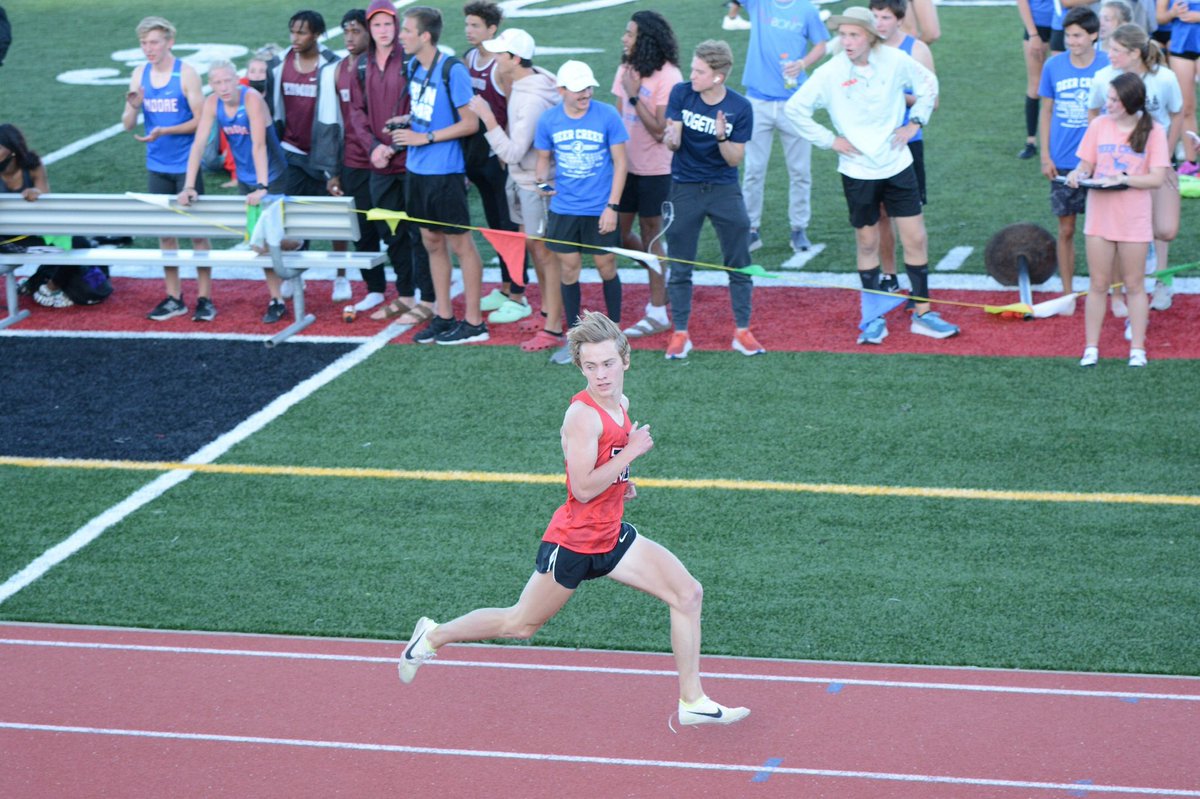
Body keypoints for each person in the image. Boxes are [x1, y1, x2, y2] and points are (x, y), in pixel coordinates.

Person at [397, 310, 751, 729]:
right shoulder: (581, 416)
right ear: (580, 367)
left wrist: (623, 479)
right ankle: (432, 636)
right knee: (519, 624)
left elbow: (604, 471)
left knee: (688, 594)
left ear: (626, 360)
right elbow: (582, 488)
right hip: (574, 544)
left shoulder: (621, 403)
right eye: (590, 366)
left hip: (611, 536)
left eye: (608, 364)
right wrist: (632, 453)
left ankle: (691, 700)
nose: (601, 375)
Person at [787, 7, 957, 345]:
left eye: (854, 35)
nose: (847, 42)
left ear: (870, 36)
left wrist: (916, 121)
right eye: (843, 35)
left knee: (916, 238)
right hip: (857, 171)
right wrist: (830, 140)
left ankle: (922, 313)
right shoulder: (831, 71)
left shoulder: (894, 60)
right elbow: (796, 109)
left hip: (898, 165)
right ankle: (872, 317)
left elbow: (928, 84)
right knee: (867, 242)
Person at [389, 5, 489, 345]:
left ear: (425, 36)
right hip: (417, 170)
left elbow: (470, 123)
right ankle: (444, 315)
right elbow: (429, 111)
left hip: (444, 172)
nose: (400, 36)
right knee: (431, 242)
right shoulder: (414, 66)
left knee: (461, 244)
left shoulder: (453, 69)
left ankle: (474, 322)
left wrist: (425, 137)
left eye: (406, 31)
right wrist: (408, 124)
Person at [661, 40, 765, 359]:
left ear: (717, 77)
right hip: (685, 187)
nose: (692, 75)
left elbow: (734, 160)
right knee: (680, 265)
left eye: (699, 71)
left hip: (723, 188)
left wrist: (720, 135)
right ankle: (680, 332)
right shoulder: (681, 93)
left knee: (739, 262)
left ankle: (743, 331)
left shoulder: (740, 107)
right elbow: (673, 140)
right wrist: (671, 137)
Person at [468, 28, 565, 352]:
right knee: (537, 249)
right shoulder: (534, 80)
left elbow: (511, 152)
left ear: (514, 58)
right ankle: (548, 312)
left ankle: (553, 327)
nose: (494, 58)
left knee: (545, 253)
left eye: (499, 54)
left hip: (534, 184)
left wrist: (487, 119)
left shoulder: (531, 98)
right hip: (524, 181)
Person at [177, 59, 292, 324]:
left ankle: (280, 290)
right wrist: (189, 185)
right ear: (211, 85)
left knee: (265, 238)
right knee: (258, 237)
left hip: (272, 174)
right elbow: (197, 145)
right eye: (217, 82)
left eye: (227, 80)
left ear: (236, 79)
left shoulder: (250, 100)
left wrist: (262, 186)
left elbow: (259, 146)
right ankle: (278, 291)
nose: (223, 87)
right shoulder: (212, 103)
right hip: (247, 177)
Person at [1068, 71, 1169, 367]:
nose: (1107, 104)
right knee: (1098, 284)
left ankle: (1137, 349)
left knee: (1135, 284)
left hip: (1133, 218)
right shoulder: (1099, 125)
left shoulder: (1154, 131)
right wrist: (1078, 174)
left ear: (1127, 102)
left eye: (1113, 99)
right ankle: (1091, 348)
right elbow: (1086, 164)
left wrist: (1124, 178)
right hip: (1100, 216)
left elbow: (1157, 177)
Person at [534, 60, 629, 365]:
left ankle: (615, 335)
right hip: (564, 209)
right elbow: (543, 161)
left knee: (606, 266)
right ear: (561, 90)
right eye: (578, 89)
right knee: (569, 269)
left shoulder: (607, 115)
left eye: (588, 87)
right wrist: (541, 183)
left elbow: (621, 164)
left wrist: (612, 206)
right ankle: (574, 340)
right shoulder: (549, 120)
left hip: (600, 208)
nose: (586, 93)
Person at [121, 17, 214, 323]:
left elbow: (201, 121)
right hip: (157, 165)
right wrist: (134, 106)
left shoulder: (185, 73)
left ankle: (205, 298)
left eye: (155, 42)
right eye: (144, 43)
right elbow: (128, 123)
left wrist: (165, 130)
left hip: (186, 164)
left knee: (197, 234)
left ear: (169, 42)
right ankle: (174, 298)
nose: (149, 48)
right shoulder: (140, 73)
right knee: (166, 234)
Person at [348, 0, 435, 325]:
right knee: (392, 232)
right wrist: (374, 147)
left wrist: (394, 146)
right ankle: (405, 295)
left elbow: (422, 110)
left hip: (411, 161)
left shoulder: (411, 61)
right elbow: (356, 113)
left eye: (388, 25)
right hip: (378, 164)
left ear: (397, 27)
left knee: (418, 233)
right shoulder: (361, 65)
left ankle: (427, 298)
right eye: (376, 26)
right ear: (369, 30)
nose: (383, 31)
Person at [1088, 23, 1182, 314]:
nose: (1109, 55)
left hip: (1156, 163)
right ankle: (1119, 294)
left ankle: (1160, 281)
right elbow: (1094, 112)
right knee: (1116, 229)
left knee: (1165, 229)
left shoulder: (1164, 78)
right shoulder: (1104, 78)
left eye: (1115, 50)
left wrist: (1164, 157)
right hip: (1118, 166)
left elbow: (1177, 115)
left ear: (1133, 53)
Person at [265, 10, 352, 304]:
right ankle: (295, 273)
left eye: (302, 32)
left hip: (326, 155)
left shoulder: (333, 65)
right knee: (293, 218)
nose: (295, 38)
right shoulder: (279, 65)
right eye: (293, 32)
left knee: (336, 217)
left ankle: (341, 275)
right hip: (292, 151)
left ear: (316, 34)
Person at [736, 0, 829, 254]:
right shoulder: (758, 3)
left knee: (800, 170)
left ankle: (799, 228)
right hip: (758, 100)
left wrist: (802, 64)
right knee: (754, 169)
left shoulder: (807, 9)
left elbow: (822, 44)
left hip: (794, 102)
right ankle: (751, 228)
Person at [463, 1, 533, 326]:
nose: (469, 31)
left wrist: (505, 153)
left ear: (492, 30)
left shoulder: (500, 67)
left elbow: (512, 110)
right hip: (477, 153)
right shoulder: (469, 59)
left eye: (476, 25)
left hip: (499, 156)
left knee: (509, 226)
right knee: (494, 225)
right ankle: (505, 288)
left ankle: (519, 293)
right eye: (467, 25)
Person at [612, 10, 681, 340]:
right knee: (618, 236)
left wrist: (636, 94)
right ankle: (662, 278)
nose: (624, 38)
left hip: (655, 168)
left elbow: (659, 130)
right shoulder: (626, 68)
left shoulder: (669, 77)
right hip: (625, 165)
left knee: (651, 235)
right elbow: (615, 116)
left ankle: (657, 312)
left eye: (630, 34)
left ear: (647, 40)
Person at [314, 9, 386, 318]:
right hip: (353, 160)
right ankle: (375, 289)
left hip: (386, 158)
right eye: (346, 32)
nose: (349, 37)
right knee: (364, 228)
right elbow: (331, 124)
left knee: (398, 224)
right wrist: (333, 170)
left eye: (356, 31)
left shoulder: (386, 65)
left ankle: (416, 287)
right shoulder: (335, 70)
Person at [1039, 6, 1109, 313]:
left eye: (1078, 35)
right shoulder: (1053, 66)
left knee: (1105, 231)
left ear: (1094, 35)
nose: (1071, 41)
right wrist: (1045, 154)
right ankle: (1067, 293)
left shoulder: (1108, 66)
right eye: (1068, 35)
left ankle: (1107, 289)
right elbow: (1046, 110)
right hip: (1064, 159)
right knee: (1066, 228)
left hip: (1102, 160)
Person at [870, 0, 936, 296]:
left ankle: (918, 286)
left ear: (899, 19)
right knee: (881, 214)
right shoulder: (864, 47)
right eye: (874, 17)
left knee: (910, 217)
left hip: (907, 143)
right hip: (872, 144)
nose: (879, 23)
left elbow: (932, 100)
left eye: (885, 17)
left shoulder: (917, 49)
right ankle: (889, 276)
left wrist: (897, 93)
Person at [1157, 0, 1200, 175]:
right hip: (1181, 47)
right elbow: (1159, 18)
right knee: (1186, 107)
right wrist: (1172, 13)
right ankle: (1191, 163)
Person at [1017, 0, 1054, 159]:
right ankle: (1031, 141)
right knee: (1035, 85)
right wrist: (1033, 34)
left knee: (1060, 86)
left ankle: (1056, 139)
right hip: (1038, 26)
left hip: (1065, 23)